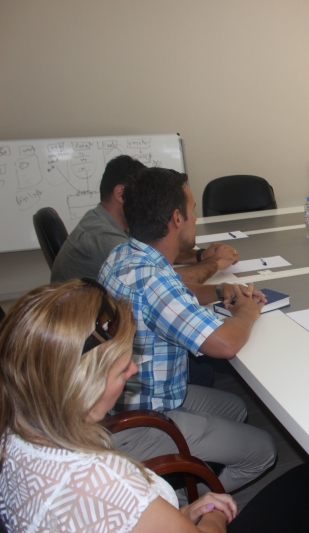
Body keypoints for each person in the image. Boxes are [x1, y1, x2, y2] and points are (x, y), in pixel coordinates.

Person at [0, 280, 309, 532]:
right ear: (82, 383)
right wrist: (213, 513)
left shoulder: (15, 437)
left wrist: (180, 514)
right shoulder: (101, 480)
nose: (132, 370)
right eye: (121, 369)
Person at [97, 166, 277, 492]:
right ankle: (189, 506)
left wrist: (219, 291)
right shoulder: (154, 280)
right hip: (143, 420)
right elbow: (224, 344)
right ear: (177, 219)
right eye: (192, 211)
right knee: (263, 451)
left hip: (131, 395)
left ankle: (198, 464)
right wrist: (248, 312)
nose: (195, 218)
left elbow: (173, 293)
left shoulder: (126, 254)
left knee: (236, 408)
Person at [51, 154, 238, 284]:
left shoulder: (105, 220)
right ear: (120, 194)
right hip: (85, 325)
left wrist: (199, 256)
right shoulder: (104, 238)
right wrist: (215, 263)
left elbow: (151, 251)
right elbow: (162, 283)